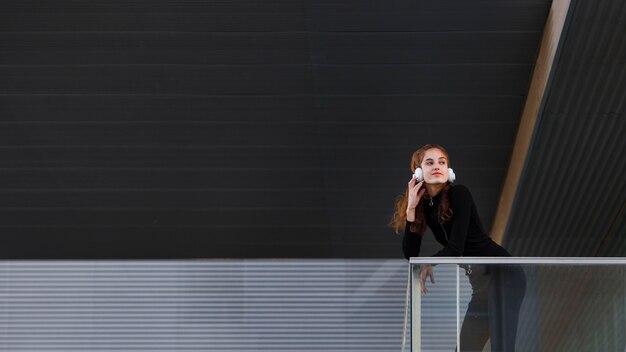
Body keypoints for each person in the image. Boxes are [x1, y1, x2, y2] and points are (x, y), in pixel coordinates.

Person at [391, 144, 526, 352]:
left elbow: (455, 248)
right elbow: (410, 255)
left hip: (504, 276)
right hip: (480, 288)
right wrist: (411, 209)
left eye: (442, 162)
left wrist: (430, 262)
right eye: (429, 162)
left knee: (502, 347)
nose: (437, 166)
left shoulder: (460, 194)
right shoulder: (426, 209)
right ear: (418, 173)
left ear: (449, 171)